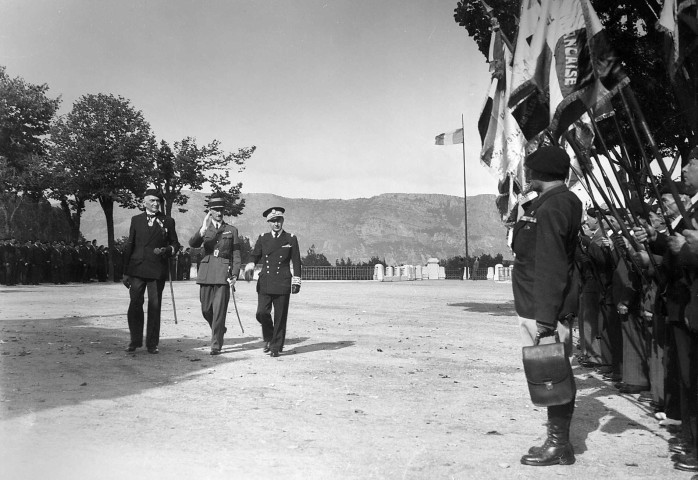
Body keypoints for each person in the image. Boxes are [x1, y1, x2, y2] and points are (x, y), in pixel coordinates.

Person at [511, 146, 582, 466]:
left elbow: (552, 264)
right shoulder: (552, 202)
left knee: (553, 370)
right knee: (550, 369)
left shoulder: (553, 206)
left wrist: (545, 317)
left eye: (528, 170)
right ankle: (558, 442)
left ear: (540, 173)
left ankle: (558, 445)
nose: (525, 176)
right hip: (539, 304)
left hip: (545, 308)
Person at [122, 188, 180, 354]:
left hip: (157, 270)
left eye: (158, 201)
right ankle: (135, 340)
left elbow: (175, 244)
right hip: (137, 269)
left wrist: (167, 250)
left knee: (154, 306)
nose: (156, 204)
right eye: (152, 200)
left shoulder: (168, 221)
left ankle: (152, 343)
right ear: (144, 202)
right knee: (134, 304)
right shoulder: (136, 220)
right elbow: (130, 245)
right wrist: (125, 272)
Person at [244, 207, 301, 357]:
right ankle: (269, 337)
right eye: (273, 221)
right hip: (265, 281)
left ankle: (276, 346)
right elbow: (255, 255)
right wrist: (250, 264)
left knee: (280, 317)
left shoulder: (291, 238)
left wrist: (296, 281)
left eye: (279, 220)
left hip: (282, 281)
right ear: (269, 222)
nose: (276, 223)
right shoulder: (263, 238)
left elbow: (296, 262)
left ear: (283, 221)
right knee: (262, 313)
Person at [188, 193, 242, 355]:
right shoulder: (204, 229)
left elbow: (236, 255)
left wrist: (234, 274)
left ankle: (216, 344)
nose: (219, 213)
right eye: (216, 210)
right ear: (210, 211)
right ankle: (220, 329)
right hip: (206, 272)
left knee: (219, 311)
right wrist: (203, 229)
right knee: (206, 310)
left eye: (221, 210)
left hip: (222, 274)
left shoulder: (231, 230)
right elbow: (193, 244)